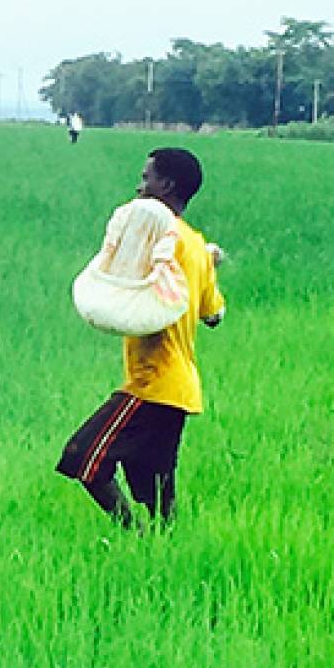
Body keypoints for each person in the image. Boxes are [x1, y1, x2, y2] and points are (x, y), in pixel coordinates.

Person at [56, 147, 224, 527]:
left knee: (83, 458)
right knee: (158, 493)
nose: (139, 185)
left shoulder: (156, 235)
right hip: (180, 390)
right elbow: (213, 315)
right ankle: (164, 555)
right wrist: (209, 260)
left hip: (153, 384)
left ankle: (130, 535)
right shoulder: (195, 244)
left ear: (166, 184)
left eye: (146, 178)